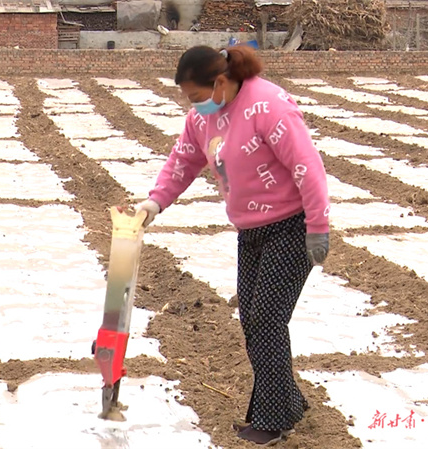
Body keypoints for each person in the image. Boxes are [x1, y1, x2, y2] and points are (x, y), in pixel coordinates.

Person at [136, 44, 330, 445]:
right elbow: (183, 161)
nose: (193, 106)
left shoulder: (269, 107)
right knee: (253, 322)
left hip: (291, 227)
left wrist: (318, 226)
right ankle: (288, 402)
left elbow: (307, 166)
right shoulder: (201, 119)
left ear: (221, 82)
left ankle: (273, 421)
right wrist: (155, 202)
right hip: (250, 230)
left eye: (196, 96)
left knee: (267, 320)